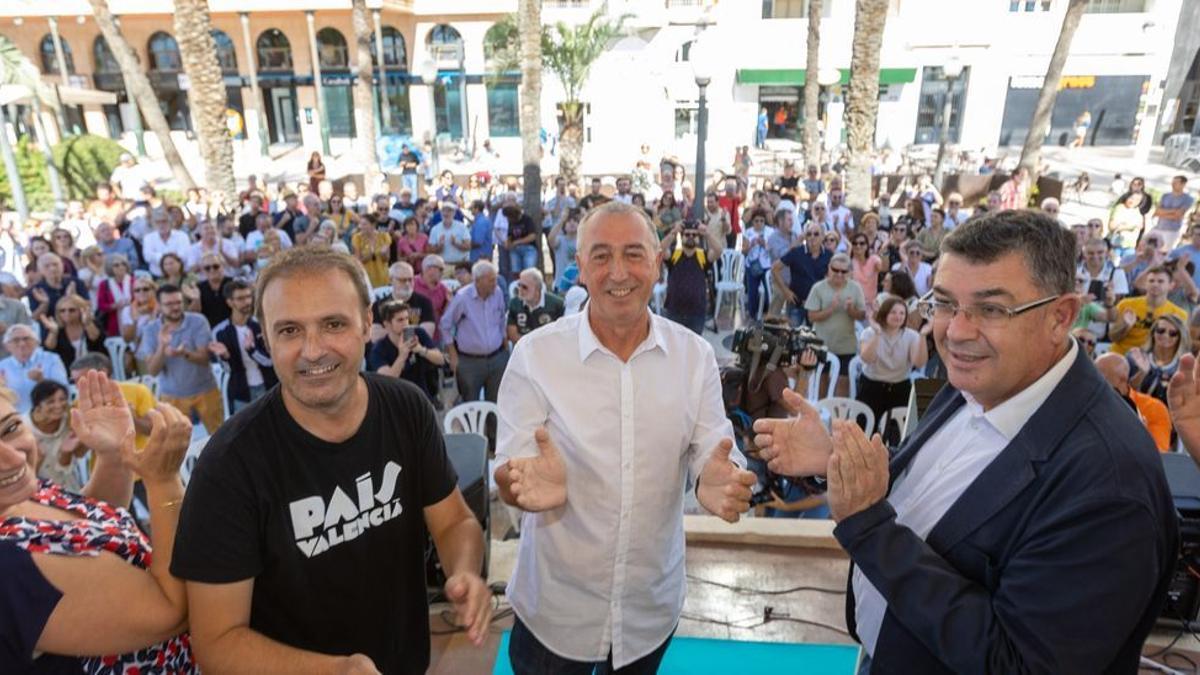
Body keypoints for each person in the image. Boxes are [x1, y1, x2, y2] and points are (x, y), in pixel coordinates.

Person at [753, 209, 1177, 674]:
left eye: (992, 309)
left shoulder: (1110, 486)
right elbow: (945, 490)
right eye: (945, 303)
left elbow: (1017, 664)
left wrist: (869, 527)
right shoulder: (980, 377)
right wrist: (837, 461)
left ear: (1061, 316)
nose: (955, 332)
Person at [171, 247, 490, 672]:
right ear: (266, 337)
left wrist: (464, 572)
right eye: (289, 330)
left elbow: (453, 521)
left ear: (367, 323)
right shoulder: (229, 465)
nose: (312, 350)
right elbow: (216, 642)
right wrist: (333, 670)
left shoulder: (406, 408)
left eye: (333, 324)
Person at [494, 201, 756, 673]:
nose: (619, 272)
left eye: (634, 254)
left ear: (657, 262)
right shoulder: (536, 357)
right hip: (555, 610)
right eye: (601, 256)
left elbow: (714, 452)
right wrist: (523, 487)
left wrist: (718, 478)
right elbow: (511, 466)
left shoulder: (694, 357)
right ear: (579, 268)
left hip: (648, 609)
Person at [1, 371, 198, 673]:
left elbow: (86, 534)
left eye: (9, 428)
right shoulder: (9, 567)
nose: (13, 458)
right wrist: (163, 482)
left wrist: (112, 454)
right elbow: (172, 610)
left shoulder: (17, 493)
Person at [137, 285, 222, 434]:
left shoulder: (198, 321)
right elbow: (153, 370)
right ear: (159, 305)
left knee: (219, 437)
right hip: (171, 395)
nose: (175, 307)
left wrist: (185, 353)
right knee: (177, 444)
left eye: (178, 302)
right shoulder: (150, 330)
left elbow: (205, 359)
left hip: (205, 389)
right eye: (169, 304)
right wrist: (162, 348)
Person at [857, 297, 931, 444]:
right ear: (884, 313)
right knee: (865, 432)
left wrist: (923, 336)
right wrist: (878, 333)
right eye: (893, 312)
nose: (898, 316)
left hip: (899, 387)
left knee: (897, 434)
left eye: (902, 313)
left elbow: (919, 362)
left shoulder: (911, 336)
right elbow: (867, 358)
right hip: (872, 386)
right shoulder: (869, 333)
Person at [441, 260, 508, 405]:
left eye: (495, 278)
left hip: (496, 358)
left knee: (496, 405)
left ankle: (492, 428)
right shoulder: (462, 297)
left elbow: (501, 319)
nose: (495, 283)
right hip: (470, 362)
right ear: (478, 281)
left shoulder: (497, 293)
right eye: (491, 280)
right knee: (470, 405)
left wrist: (504, 347)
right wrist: (453, 355)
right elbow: (445, 324)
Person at [209, 280, 277, 414]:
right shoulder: (220, 331)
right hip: (241, 392)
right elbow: (227, 369)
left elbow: (271, 361)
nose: (247, 302)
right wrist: (225, 356)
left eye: (249, 296)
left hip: (269, 387)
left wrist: (252, 350)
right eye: (240, 298)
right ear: (230, 302)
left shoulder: (262, 324)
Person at [805, 253, 866, 396]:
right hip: (822, 344)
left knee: (843, 385)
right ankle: (820, 414)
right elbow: (811, 316)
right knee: (821, 383)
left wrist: (851, 310)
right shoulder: (818, 288)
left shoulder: (855, 288)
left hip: (846, 345)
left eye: (843, 271)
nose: (839, 274)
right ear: (829, 268)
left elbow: (862, 315)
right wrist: (830, 309)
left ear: (849, 272)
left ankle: (838, 416)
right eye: (835, 269)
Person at [70, 352, 157, 450]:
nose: (78, 386)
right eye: (75, 381)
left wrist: (131, 419)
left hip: (138, 459)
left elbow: (153, 430)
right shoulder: (79, 404)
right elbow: (79, 452)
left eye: (82, 379)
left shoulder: (138, 391)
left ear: (103, 372)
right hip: (103, 463)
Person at [368, 299, 444, 402]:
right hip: (396, 401)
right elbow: (387, 381)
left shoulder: (418, 333)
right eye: (400, 320)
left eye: (407, 319)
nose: (406, 324)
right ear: (387, 325)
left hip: (422, 397)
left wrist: (421, 350)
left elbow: (441, 359)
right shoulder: (379, 349)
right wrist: (402, 356)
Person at [1095, 353, 1173, 452]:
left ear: (1122, 379)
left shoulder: (1153, 408)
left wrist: (1138, 436)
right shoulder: (1089, 405)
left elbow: (1158, 455)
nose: (1094, 381)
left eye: (1101, 376)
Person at [1108, 265, 1188, 356]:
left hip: (1153, 361)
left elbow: (1180, 347)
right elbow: (1112, 337)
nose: (1155, 284)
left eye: (1160, 281)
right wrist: (1125, 326)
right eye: (1151, 281)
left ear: (1171, 285)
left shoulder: (1178, 314)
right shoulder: (1125, 305)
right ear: (1145, 284)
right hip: (1121, 356)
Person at [661, 219, 722, 335]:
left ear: (698, 238)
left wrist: (707, 233)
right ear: (681, 236)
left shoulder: (703, 255)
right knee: (674, 347)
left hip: (696, 312)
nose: (691, 237)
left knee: (694, 349)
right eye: (687, 234)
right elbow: (660, 249)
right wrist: (673, 232)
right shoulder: (675, 254)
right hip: (674, 310)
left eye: (694, 235)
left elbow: (719, 250)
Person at [0, 324, 69, 414]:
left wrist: (42, 381)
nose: (22, 344)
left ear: (36, 342)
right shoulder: (2, 366)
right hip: (17, 419)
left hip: (47, 418)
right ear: (7, 346)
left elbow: (65, 392)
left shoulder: (51, 359)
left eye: (26, 339)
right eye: (15, 340)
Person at [1128, 314, 1190, 407]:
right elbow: (1123, 393)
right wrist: (1142, 373)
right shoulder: (1135, 356)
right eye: (1161, 331)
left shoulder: (1186, 367)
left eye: (1172, 333)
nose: (1165, 335)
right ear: (1153, 333)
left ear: (1179, 338)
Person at [775, 225, 831, 327]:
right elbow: (775, 268)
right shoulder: (796, 252)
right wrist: (785, 291)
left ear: (823, 237)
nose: (812, 237)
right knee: (792, 337)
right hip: (797, 303)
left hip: (817, 306)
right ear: (805, 237)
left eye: (816, 234)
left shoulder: (829, 255)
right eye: (809, 234)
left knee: (815, 339)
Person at [371, 262, 437, 342]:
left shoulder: (425, 303)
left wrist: (392, 332)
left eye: (410, 280)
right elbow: (375, 336)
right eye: (402, 280)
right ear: (391, 280)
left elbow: (426, 335)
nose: (407, 284)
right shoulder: (378, 305)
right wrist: (414, 330)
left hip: (417, 352)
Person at [39, 294, 105, 370]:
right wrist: (53, 332)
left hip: (94, 368)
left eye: (72, 310)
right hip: (67, 372)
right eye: (62, 311)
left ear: (81, 310)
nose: (67, 314)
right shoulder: (56, 327)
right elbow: (48, 348)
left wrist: (87, 323)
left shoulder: (91, 323)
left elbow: (95, 338)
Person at [507, 268, 565, 344]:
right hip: (524, 349)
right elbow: (513, 335)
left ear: (537, 289)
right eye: (519, 285)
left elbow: (562, 332)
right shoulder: (514, 303)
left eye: (524, 287)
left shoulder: (557, 304)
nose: (520, 290)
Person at [28, 253, 88, 321]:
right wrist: (44, 304)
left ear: (62, 265)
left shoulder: (76, 282)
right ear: (40, 270)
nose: (52, 268)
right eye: (47, 266)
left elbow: (88, 307)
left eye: (55, 264)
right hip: (51, 328)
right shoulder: (35, 290)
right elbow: (35, 318)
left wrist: (72, 298)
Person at [741, 209, 776, 322]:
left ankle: (768, 314)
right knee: (752, 291)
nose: (759, 223)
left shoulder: (770, 232)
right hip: (752, 265)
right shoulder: (748, 232)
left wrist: (764, 244)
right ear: (753, 222)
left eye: (762, 221)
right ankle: (752, 315)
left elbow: (774, 250)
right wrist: (751, 245)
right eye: (757, 221)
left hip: (767, 266)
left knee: (769, 290)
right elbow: (744, 251)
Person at [142, 208, 192, 279]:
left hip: (180, 274)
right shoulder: (148, 238)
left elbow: (184, 256)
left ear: (170, 222)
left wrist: (159, 257)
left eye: (164, 221)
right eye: (158, 222)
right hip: (157, 276)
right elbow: (148, 256)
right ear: (153, 224)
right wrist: (171, 257)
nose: (161, 225)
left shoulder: (182, 236)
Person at [1150, 175, 1195, 250]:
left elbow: (1178, 216)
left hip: (1171, 231)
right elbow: (1156, 212)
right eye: (1173, 182)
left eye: (1176, 182)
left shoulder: (1188, 199)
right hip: (1158, 228)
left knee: (1163, 254)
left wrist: (1162, 213)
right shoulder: (1165, 195)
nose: (1173, 184)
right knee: (1149, 250)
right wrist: (1174, 211)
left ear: (1183, 184)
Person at [351, 214, 393, 288]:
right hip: (366, 279)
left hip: (382, 277)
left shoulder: (384, 236)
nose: (360, 227)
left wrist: (383, 254)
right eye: (360, 224)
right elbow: (358, 261)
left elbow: (387, 259)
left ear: (373, 225)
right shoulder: (357, 238)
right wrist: (370, 254)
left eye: (364, 224)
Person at [194, 253, 234, 328]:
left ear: (223, 266)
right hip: (207, 329)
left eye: (216, 266)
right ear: (202, 270)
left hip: (231, 329)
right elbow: (195, 314)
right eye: (207, 268)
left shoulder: (234, 284)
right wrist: (196, 299)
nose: (212, 270)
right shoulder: (198, 288)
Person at [468, 200, 494, 264]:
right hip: (480, 256)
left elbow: (478, 242)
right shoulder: (481, 220)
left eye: (471, 208)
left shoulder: (481, 222)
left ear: (477, 209)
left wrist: (463, 245)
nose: (470, 210)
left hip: (480, 257)